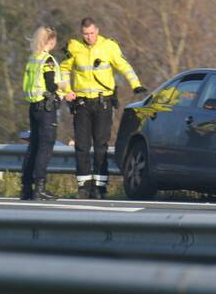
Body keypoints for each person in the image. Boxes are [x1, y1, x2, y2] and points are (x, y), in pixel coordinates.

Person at [60, 17, 146, 199]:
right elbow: (64, 70)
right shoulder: (74, 46)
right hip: (81, 103)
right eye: (85, 34)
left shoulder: (109, 46)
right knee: (82, 146)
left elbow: (124, 66)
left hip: (103, 102)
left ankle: (100, 187)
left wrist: (135, 84)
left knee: (101, 146)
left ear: (97, 31)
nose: (89, 37)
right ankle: (84, 187)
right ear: (81, 33)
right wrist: (67, 90)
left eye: (91, 33)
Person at [20, 25, 64, 201]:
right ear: (50, 41)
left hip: (33, 107)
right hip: (46, 109)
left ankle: (26, 188)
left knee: (34, 146)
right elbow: (51, 85)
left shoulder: (33, 58)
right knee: (45, 148)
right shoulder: (48, 60)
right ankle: (40, 188)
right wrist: (63, 85)